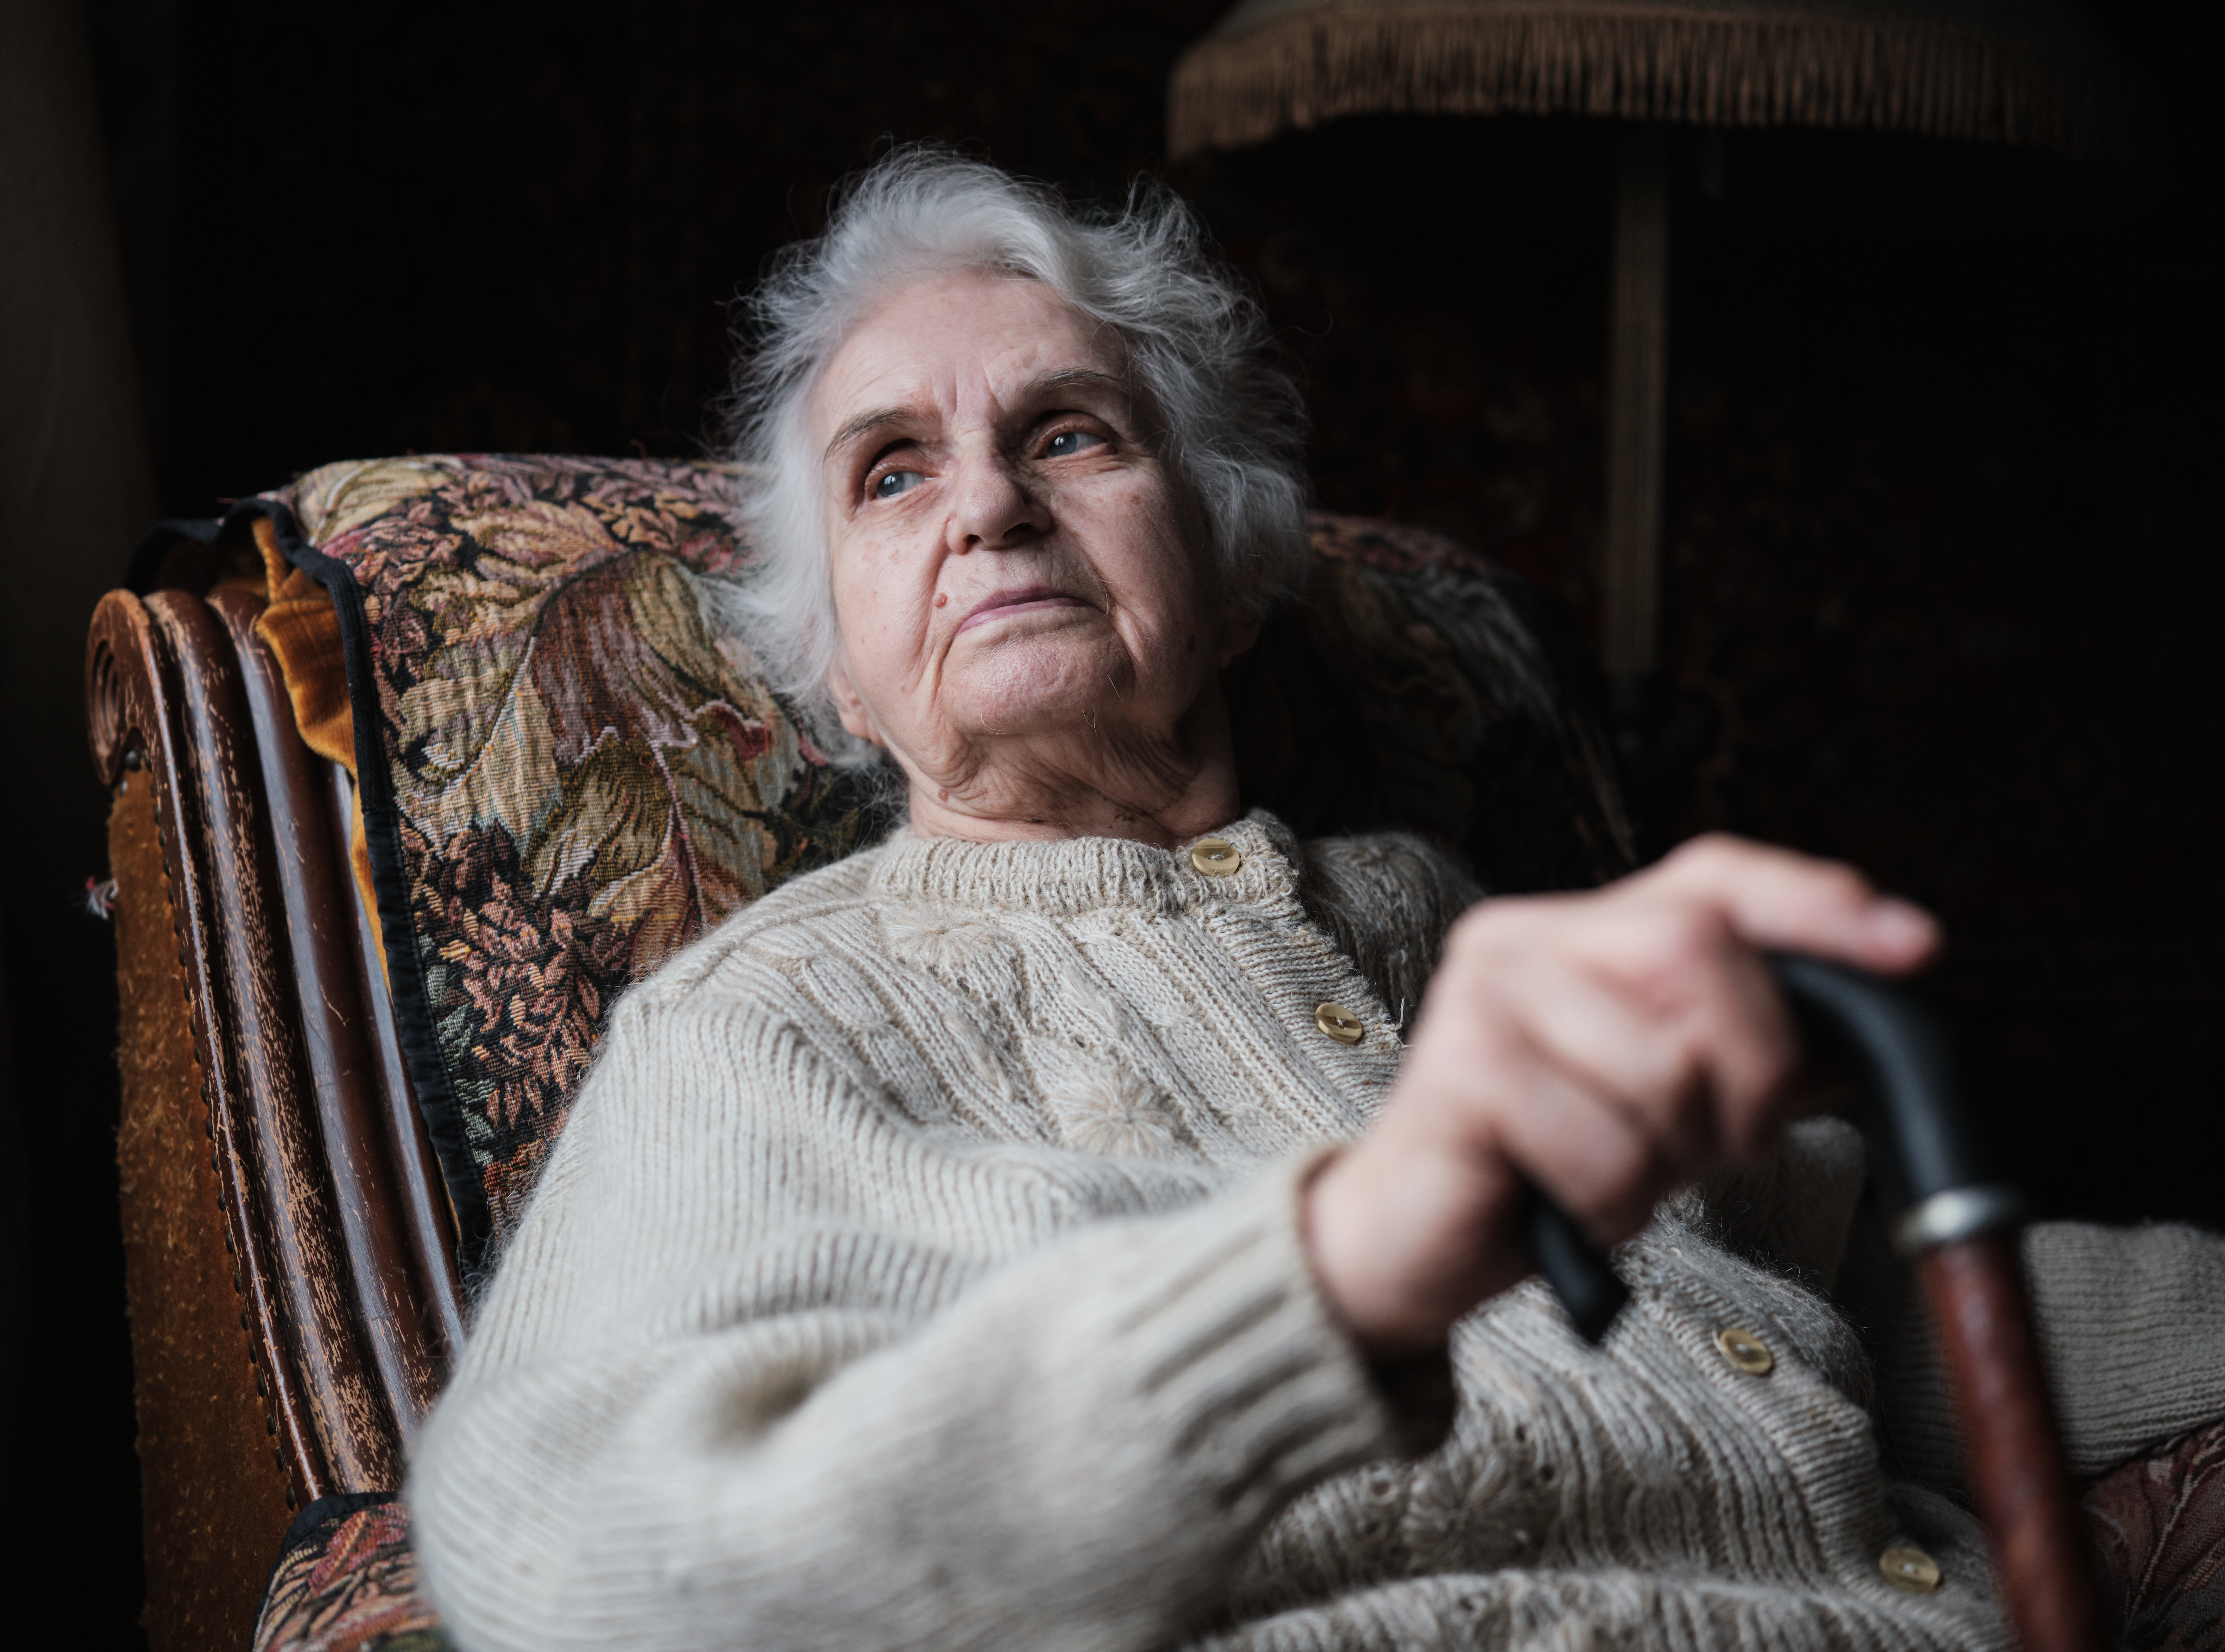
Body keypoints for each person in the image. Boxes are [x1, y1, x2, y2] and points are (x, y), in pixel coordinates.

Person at [406, 149, 2225, 1651]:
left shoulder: (1425, 912)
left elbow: (1852, 1299)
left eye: (1071, 437)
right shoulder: (761, 1033)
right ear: (834, 679)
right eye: (892, 473)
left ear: (1236, 565)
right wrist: (1327, 1279)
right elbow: (557, 1571)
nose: (989, 510)